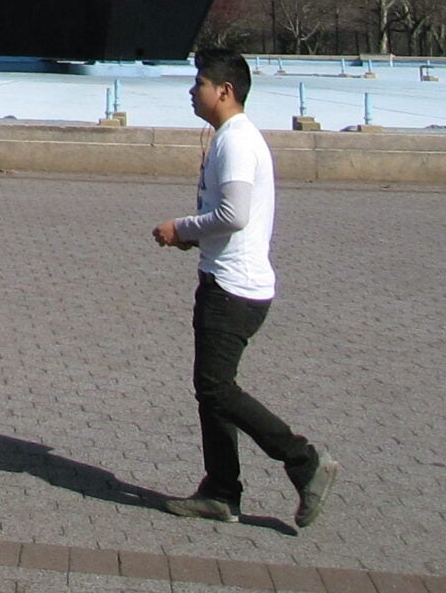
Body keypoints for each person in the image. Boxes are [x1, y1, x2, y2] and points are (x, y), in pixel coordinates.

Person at [151, 45, 338, 531]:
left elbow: (234, 215)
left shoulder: (235, 140)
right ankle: (220, 491)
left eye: (199, 84)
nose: (192, 92)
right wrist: (196, 241)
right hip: (230, 280)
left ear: (225, 91)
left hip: (233, 291)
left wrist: (183, 229)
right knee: (211, 390)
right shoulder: (233, 138)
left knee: (217, 387)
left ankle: (304, 461)